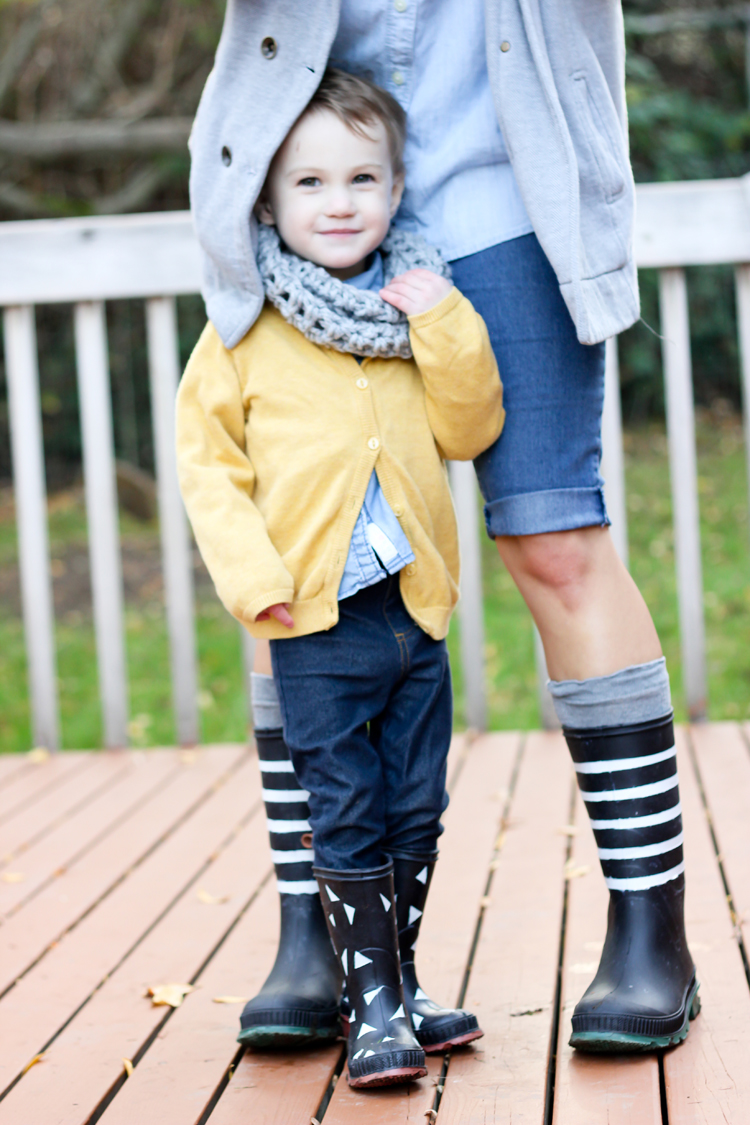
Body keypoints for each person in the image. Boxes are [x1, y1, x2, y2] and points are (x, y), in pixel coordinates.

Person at [187, 1, 699, 1055]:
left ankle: (652, 930)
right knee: (300, 543)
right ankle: (315, 932)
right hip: (314, 192)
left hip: (517, 199)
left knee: (557, 541)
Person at [177, 69, 505, 1087]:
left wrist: (443, 323)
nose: (340, 201)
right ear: (269, 204)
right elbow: (208, 465)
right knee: (348, 807)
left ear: (398, 190)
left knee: (417, 805)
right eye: (310, 182)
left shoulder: (415, 314)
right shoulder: (243, 331)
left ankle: (398, 990)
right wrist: (251, 577)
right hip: (316, 619)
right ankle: (369, 1010)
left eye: (363, 177)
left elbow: (470, 426)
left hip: (414, 612)